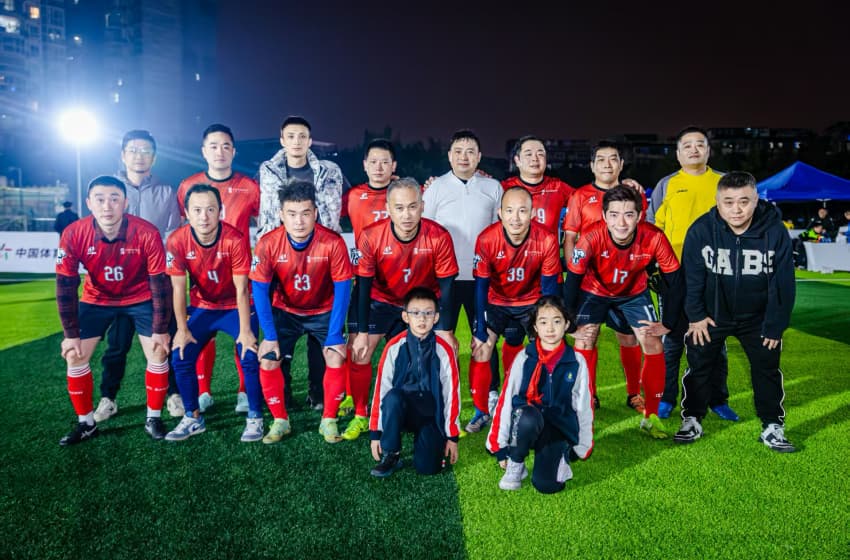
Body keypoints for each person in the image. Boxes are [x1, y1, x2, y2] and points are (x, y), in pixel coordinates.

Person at [674, 172, 796, 452]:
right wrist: (696, 315)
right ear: (717, 202)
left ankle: (772, 425)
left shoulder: (774, 230)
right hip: (711, 315)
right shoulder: (701, 230)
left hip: (758, 318)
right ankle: (692, 418)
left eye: (744, 201)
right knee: (699, 366)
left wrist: (775, 324)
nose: (736, 209)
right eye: (728, 202)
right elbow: (691, 278)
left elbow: (783, 283)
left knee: (766, 369)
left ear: (756, 200)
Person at [55, 175, 171, 445]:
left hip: (140, 297)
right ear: (89, 203)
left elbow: (160, 284)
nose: (107, 206)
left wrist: (161, 329)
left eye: (114, 199)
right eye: (100, 199)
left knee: (158, 349)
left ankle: (153, 417)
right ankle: (86, 423)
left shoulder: (147, 232)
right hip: (97, 299)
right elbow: (65, 286)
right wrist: (70, 335)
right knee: (74, 354)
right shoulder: (73, 233)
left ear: (125, 203)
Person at [564, 185, 684, 438]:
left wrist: (668, 322)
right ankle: (585, 409)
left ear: (639, 216)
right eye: (614, 214)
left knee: (652, 340)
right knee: (586, 338)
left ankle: (651, 416)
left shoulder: (654, 237)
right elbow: (572, 281)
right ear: (604, 216)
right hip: (594, 291)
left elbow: (675, 281)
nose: (621, 222)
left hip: (633, 293)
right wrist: (570, 323)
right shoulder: (590, 237)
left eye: (629, 214)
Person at [348, 178, 459, 441]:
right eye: (399, 208)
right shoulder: (371, 235)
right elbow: (362, 287)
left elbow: (447, 289)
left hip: (421, 305)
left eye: (412, 207)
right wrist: (361, 332)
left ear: (422, 206)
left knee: (444, 351)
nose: (406, 215)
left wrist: (446, 330)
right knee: (360, 351)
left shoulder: (439, 236)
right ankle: (361, 414)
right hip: (382, 301)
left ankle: (439, 412)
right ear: (388, 208)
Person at [250, 181, 353, 443]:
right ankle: (280, 421)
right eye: (292, 214)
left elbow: (343, 289)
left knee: (335, 356)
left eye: (306, 213)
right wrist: (269, 336)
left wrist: (334, 335)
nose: (299, 221)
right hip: (286, 311)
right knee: (269, 359)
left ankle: (328, 420)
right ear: (281, 215)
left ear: (315, 213)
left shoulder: (333, 242)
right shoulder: (267, 243)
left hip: (323, 310)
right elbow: (259, 291)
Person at [257, 115, 348, 410]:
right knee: (280, 328)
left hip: (321, 252)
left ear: (310, 140)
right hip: (281, 254)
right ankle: (282, 396)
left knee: (319, 336)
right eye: (290, 136)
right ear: (282, 140)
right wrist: (270, 248)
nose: (296, 141)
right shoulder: (269, 170)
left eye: (302, 136)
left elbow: (341, 205)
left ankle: (317, 393)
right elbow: (266, 211)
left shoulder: (329, 170)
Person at [647, 126, 737, 421]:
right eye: (687, 145)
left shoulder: (724, 182)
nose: (694, 149)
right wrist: (653, 265)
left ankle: (717, 399)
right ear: (678, 153)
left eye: (700, 144)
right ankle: (667, 398)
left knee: (714, 341)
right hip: (674, 274)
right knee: (672, 340)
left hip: (715, 273)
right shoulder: (667, 185)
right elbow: (652, 227)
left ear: (708, 151)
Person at [95, 129, 184, 425]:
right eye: (133, 150)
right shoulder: (109, 189)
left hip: (156, 281)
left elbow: (172, 234)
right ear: (123, 155)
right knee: (117, 345)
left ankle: (173, 394)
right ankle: (108, 398)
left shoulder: (166, 191)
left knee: (165, 338)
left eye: (146, 151)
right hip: (119, 283)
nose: (139, 156)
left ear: (154, 158)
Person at [164, 184, 264, 442]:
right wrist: (181, 330)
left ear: (220, 211)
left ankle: (255, 416)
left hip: (235, 305)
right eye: (197, 210)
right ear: (186, 212)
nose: (204, 216)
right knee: (181, 354)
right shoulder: (176, 240)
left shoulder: (234, 239)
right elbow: (178, 289)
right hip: (203, 306)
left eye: (210, 209)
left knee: (249, 353)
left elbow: (242, 289)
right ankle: (193, 417)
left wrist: (245, 331)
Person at [177, 124, 260, 414]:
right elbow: (185, 228)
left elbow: (265, 222)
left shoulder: (250, 187)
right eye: (213, 146)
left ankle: (244, 392)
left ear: (234, 152)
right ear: (203, 151)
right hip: (203, 281)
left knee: (244, 337)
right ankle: (204, 392)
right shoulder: (188, 186)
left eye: (226, 146)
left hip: (238, 277)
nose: (220, 152)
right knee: (201, 338)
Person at [466, 186, 562, 433]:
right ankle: (481, 410)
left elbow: (549, 291)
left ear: (533, 213)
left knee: (545, 350)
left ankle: (538, 402)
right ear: (500, 213)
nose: (516, 218)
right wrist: (479, 328)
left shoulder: (546, 239)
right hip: (496, 301)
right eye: (509, 211)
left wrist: (547, 325)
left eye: (522, 211)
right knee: (481, 347)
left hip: (531, 302)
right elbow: (480, 287)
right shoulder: (487, 239)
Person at [561, 141, 648, 412]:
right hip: (590, 283)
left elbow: (642, 235)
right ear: (592, 165)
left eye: (613, 159)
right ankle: (588, 394)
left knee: (629, 338)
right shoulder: (580, 196)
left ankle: (634, 393)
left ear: (621, 164)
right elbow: (570, 237)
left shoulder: (635, 193)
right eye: (601, 159)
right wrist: (573, 271)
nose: (607, 164)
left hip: (626, 283)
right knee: (586, 336)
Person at [422, 129, 502, 413]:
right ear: (449, 156)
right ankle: (443, 389)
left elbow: (499, 232)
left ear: (479, 156)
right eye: (458, 151)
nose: (464, 157)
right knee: (443, 337)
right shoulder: (435, 188)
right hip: (446, 279)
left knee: (486, 337)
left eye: (470, 152)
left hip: (482, 278)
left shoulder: (493, 187)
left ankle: (490, 392)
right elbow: (426, 231)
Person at [486, 296, 593, 493]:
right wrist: (498, 446)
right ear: (535, 327)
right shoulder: (524, 357)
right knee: (527, 416)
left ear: (566, 325)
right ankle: (516, 463)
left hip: (557, 426)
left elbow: (583, 405)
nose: (550, 328)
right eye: (543, 322)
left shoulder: (577, 361)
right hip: (526, 421)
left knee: (547, 485)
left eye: (557, 321)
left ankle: (559, 455)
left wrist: (583, 445)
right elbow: (506, 400)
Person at [368, 287, 461, 478]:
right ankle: (391, 453)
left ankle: (428, 442)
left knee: (428, 468)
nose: (422, 319)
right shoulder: (394, 346)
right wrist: (376, 433)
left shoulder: (444, 350)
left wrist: (452, 436)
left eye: (428, 313)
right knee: (393, 397)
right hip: (402, 410)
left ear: (436, 317)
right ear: (405, 317)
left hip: (429, 414)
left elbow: (451, 393)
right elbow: (381, 389)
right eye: (415, 313)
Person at [501, 135, 574, 235]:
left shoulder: (558, 188)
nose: (535, 159)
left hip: (550, 244)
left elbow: (586, 201)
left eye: (540, 154)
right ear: (517, 161)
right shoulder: (504, 189)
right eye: (528, 154)